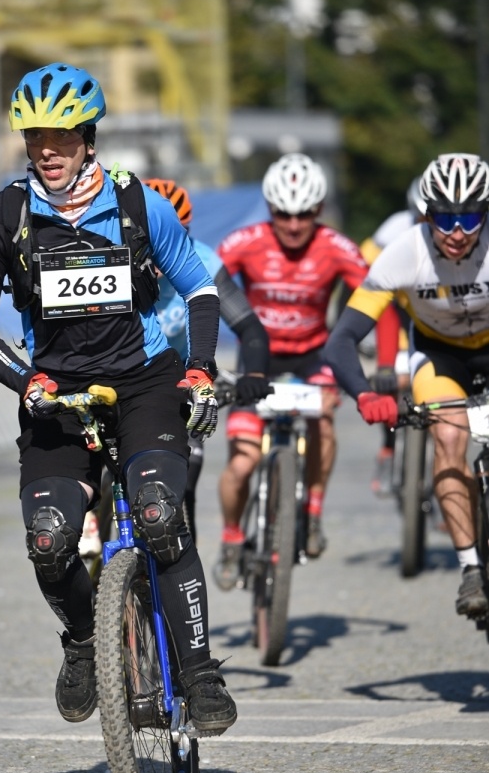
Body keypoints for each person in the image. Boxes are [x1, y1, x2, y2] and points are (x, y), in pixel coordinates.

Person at [0, 62, 238, 733]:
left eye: (59, 135)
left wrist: (199, 367)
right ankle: (83, 641)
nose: (45, 149)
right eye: (32, 136)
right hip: (55, 391)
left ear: (87, 136)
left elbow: (199, 289)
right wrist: (26, 380)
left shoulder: (138, 204)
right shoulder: (4, 215)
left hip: (144, 380)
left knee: (160, 514)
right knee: (48, 542)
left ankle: (197, 674)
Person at [325, 151, 489, 620]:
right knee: (450, 436)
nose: (457, 232)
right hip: (440, 354)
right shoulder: (404, 251)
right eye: (444, 218)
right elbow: (341, 341)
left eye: (470, 217)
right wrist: (366, 394)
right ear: (426, 214)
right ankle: (471, 568)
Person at [212, 152, 371, 590]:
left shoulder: (337, 248)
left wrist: (370, 349)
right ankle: (230, 538)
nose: (294, 225)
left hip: (313, 356)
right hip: (258, 357)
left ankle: (313, 511)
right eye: (283, 214)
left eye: (304, 214)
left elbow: (373, 297)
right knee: (242, 463)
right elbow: (203, 280)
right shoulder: (245, 241)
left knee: (323, 420)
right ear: (270, 208)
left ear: (319, 210)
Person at [142, 177, 270, 542]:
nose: (157, 250)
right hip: (124, 377)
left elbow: (249, 327)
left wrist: (255, 373)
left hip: (178, 385)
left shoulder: (201, 261)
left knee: (182, 486)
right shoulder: (112, 262)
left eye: (173, 234)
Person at [360, 178, 426, 496]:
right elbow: (366, 276)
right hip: (393, 311)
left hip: (430, 312)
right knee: (392, 380)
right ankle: (388, 449)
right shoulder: (394, 229)